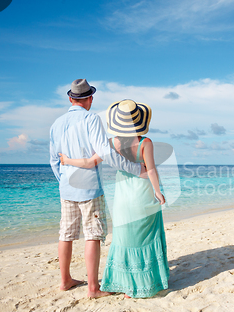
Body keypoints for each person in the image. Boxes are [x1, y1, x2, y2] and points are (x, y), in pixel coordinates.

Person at [60, 99, 170, 298]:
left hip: (121, 199)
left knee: (124, 239)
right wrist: (158, 192)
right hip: (142, 195)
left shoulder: (111, 143)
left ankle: (125, 285)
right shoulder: (145, 143)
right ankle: (141, 284)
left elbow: (89, 162)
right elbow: (151, 170)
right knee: (145, 237)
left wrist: (67, 160)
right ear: (138, 121)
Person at [50, 80, 146, 298]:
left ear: (70, 98)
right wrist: (134, 168)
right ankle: (93, 288)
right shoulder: (91, 119)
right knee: (92, 234)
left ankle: (65, 280)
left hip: (66, 188)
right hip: (90, 188)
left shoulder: (57, 123)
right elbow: (106, 153)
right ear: (90, 98)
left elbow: (53, 160)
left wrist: (63, 180)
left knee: (65, 234)